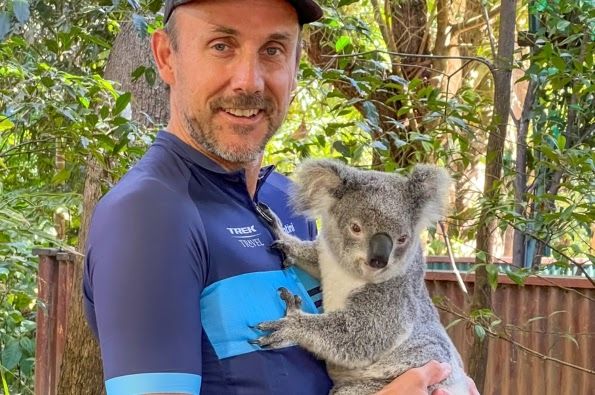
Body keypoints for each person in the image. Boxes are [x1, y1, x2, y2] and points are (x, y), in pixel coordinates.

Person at [83, 1, 480, 394]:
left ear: (296, 65)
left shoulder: (288, 202)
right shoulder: (150, 217)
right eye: (222, 45)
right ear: (167, 57)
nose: (249, 81)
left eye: (272, 50)